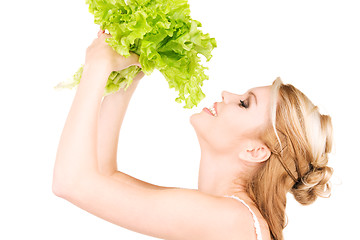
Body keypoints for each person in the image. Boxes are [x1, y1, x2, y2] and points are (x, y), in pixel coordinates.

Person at [52, 29, 334, 240]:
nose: (227, 94)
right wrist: (131, 74)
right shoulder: (231, 215)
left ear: (255, 151)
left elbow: (70, 182)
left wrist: (97, 66)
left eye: (244, 103)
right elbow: (103, 174)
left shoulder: (232, 220)